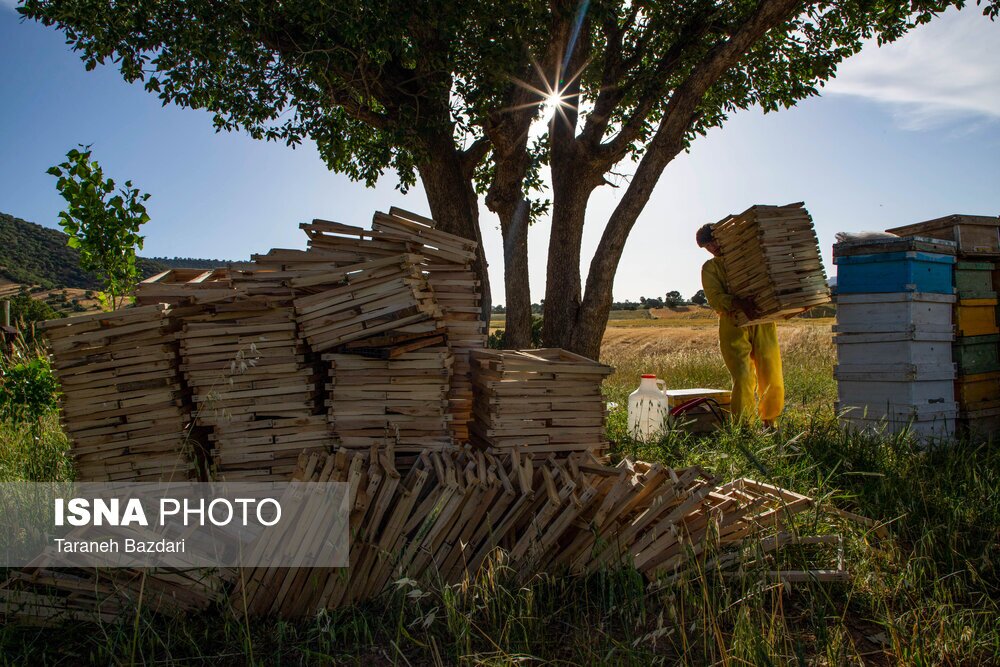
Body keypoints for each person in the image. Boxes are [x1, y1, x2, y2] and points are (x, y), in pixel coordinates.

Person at [696, 223, 784, 427]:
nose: (713, 248)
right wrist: (738, 303)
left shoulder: (751, 259)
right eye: (708, 246)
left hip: (763, 321)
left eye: (714, 241)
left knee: (771, 373)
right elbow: (715, 298)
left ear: (725, 237)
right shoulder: (710, 268)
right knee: (743, 376)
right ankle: (743, 426)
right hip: (733, 323)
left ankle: (771, 423)